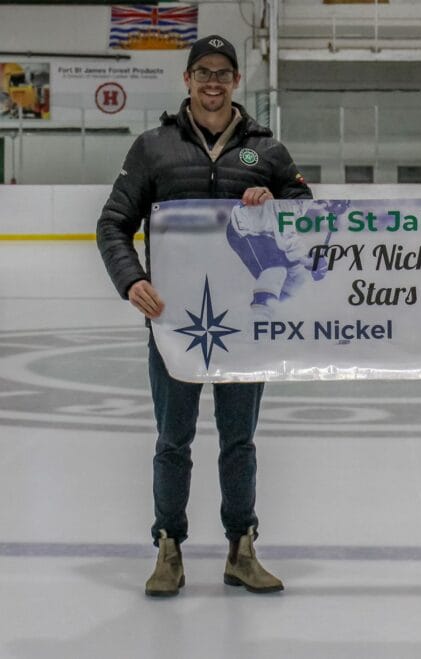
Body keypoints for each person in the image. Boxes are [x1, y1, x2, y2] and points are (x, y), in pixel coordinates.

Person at [96, 34, 312, 597]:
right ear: (187, 79)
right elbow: (113, 223)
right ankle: (168, 548)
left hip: (246, 325)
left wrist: (278, 205)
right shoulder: (154, 147)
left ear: (236, 81)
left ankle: (242, 549)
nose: (212, 82)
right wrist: (132, 280)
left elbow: (308, 215)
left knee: (239, 441)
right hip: (175, 322)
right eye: (202, 72)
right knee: (173, 439)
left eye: (222, 72)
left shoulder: (265, 149)